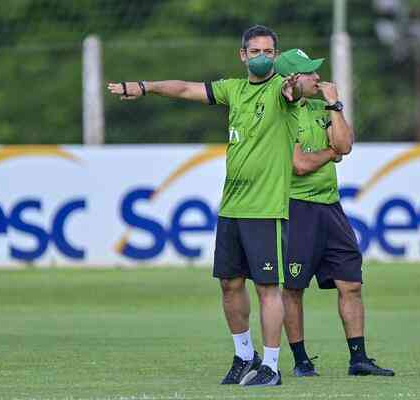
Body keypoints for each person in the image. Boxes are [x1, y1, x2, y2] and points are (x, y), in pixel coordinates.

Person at [108, 25, 302, 387]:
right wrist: (145, 87)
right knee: (229, 284)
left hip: (266, 209)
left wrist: (295, 86)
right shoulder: (233, 89)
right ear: (243, 55)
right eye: (256, 51)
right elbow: (183, 88)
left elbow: (299, 89)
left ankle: (272, 368)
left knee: (267, 289)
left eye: (269, 52)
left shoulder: (281, 89)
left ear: (277, 55)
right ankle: (245, 356)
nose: (263, 57)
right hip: (232, 208)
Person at [273, 48, 395, 377]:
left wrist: (335, 106)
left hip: (331, 206)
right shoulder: (279, 113)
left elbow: (345, 145)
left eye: (316, 72)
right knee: (294, 288)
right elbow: (299, 164)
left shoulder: (322, 107)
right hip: (295, 209)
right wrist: (331, 151)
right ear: (291, 79)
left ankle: (359, 359)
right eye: (309, 73)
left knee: (351, 284)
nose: (317, 77)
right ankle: (301, 361)